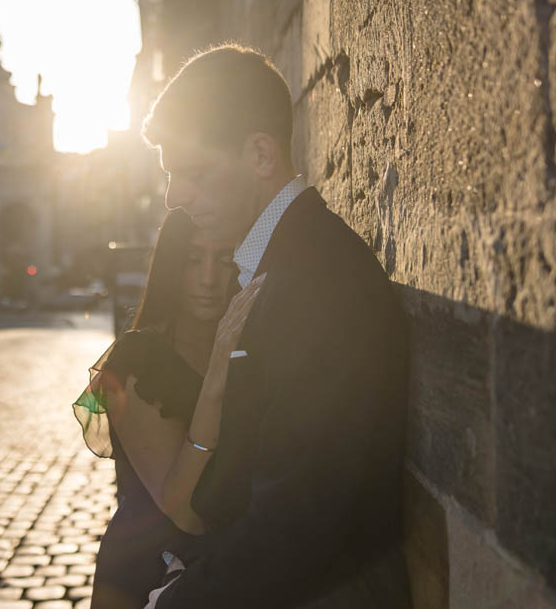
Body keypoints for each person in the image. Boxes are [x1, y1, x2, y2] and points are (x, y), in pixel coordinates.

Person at [140, 44, 411, 608]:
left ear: (261, 155)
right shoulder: (274, 263)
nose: (175, 197)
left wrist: (179, 603)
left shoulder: (314, 274)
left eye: (193, 172)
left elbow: (300, 513)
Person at [74, 209, 261, 608]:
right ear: (172, 265)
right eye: (193, 260)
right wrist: (214, 383)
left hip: (226, 574)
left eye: (224, 259)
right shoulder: (138, 361)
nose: (209, 278)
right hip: (146, 576)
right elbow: (186, 514)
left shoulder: (254, 346)